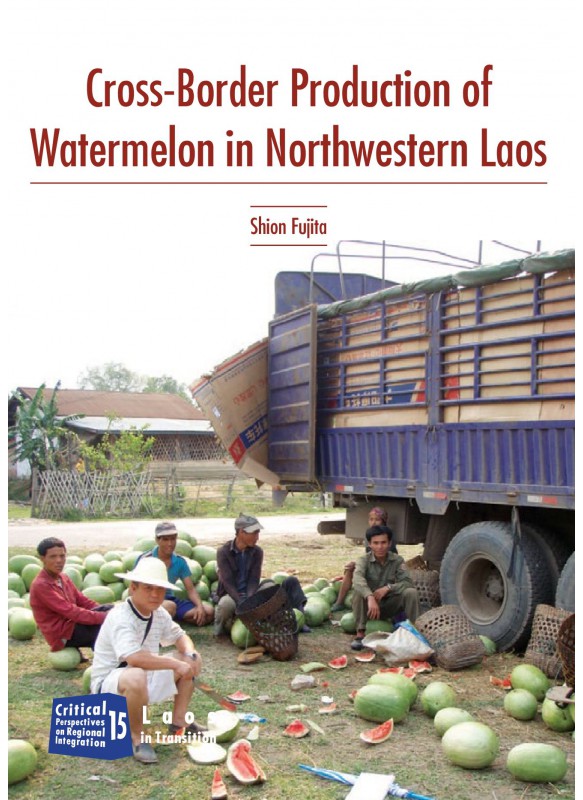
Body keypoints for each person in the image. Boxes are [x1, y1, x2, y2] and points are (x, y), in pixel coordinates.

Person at [90, 557, 204, 764]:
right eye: (148, 588)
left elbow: (179, 635)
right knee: (136, 675)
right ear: (133, 588)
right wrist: (177, 664)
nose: (154, 594)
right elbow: (134, 657)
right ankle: (137, 737)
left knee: (190, 659)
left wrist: (190, 653)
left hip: (144, 676)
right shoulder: (120, 617)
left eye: (159, 589)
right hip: (110, 686)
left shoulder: (158, 613)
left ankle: (179, 722)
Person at [214, 513, 310, 637]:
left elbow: (254, 580)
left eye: (258, 533)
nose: (257, 537)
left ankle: (288, 620)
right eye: (254, 533)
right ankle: (219, 632)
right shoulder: (223, 552)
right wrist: (241, 602)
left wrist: (250, 600)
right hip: (232, 594)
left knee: (270, 586)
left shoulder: (257, 552)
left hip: (251, 593)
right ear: (241, 532)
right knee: (225, 605)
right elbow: (227, 582)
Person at [29, 537, 112, 656]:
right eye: (53, 556)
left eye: (62, 556)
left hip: (71, 624)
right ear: (43, 559)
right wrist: (104, 617)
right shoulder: (41, 585)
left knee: (108, 609)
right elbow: (71, 611)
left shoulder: (63, 577)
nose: (59, 560)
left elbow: (83, 601)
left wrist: (107, 612)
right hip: (62, 634)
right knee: (102, 629)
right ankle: (106, 660)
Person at [350, 524, 419, 651]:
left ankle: (413, 632)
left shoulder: (397, 560)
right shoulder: (363, 560)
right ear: (369, 544)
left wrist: (388, 588)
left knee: (411, 592)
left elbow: (407, 582)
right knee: (358, 592)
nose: (380, 547)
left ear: (389, 543)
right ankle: (360, 633)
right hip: (368, 608)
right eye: (375, 543)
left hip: (388, 606)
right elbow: (357, 579)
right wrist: (370, 596)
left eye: (383, 542)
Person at [135, 521, 213, 626]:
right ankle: (161, 618)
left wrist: (199, 606)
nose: (170, 544)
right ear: (157, 540)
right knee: (170, 607)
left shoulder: (179, 562)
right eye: (166, 539)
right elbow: (134, 589)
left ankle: (168, 617)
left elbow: (191, 589)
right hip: (148, 601)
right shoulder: (146, 559)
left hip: (170, 600)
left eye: (173, 539)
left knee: (208, 612)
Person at [331, 507, 398, 612]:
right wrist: (358, 564)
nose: (373, 522)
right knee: (350, 568)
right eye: (371, 519)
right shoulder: (370, 535)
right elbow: (369, 556)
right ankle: (339, 602)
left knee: (354, 569)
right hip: (373, 565)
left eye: (377, 519)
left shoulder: (386, 537)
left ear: (383, 521)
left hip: (384, 570)